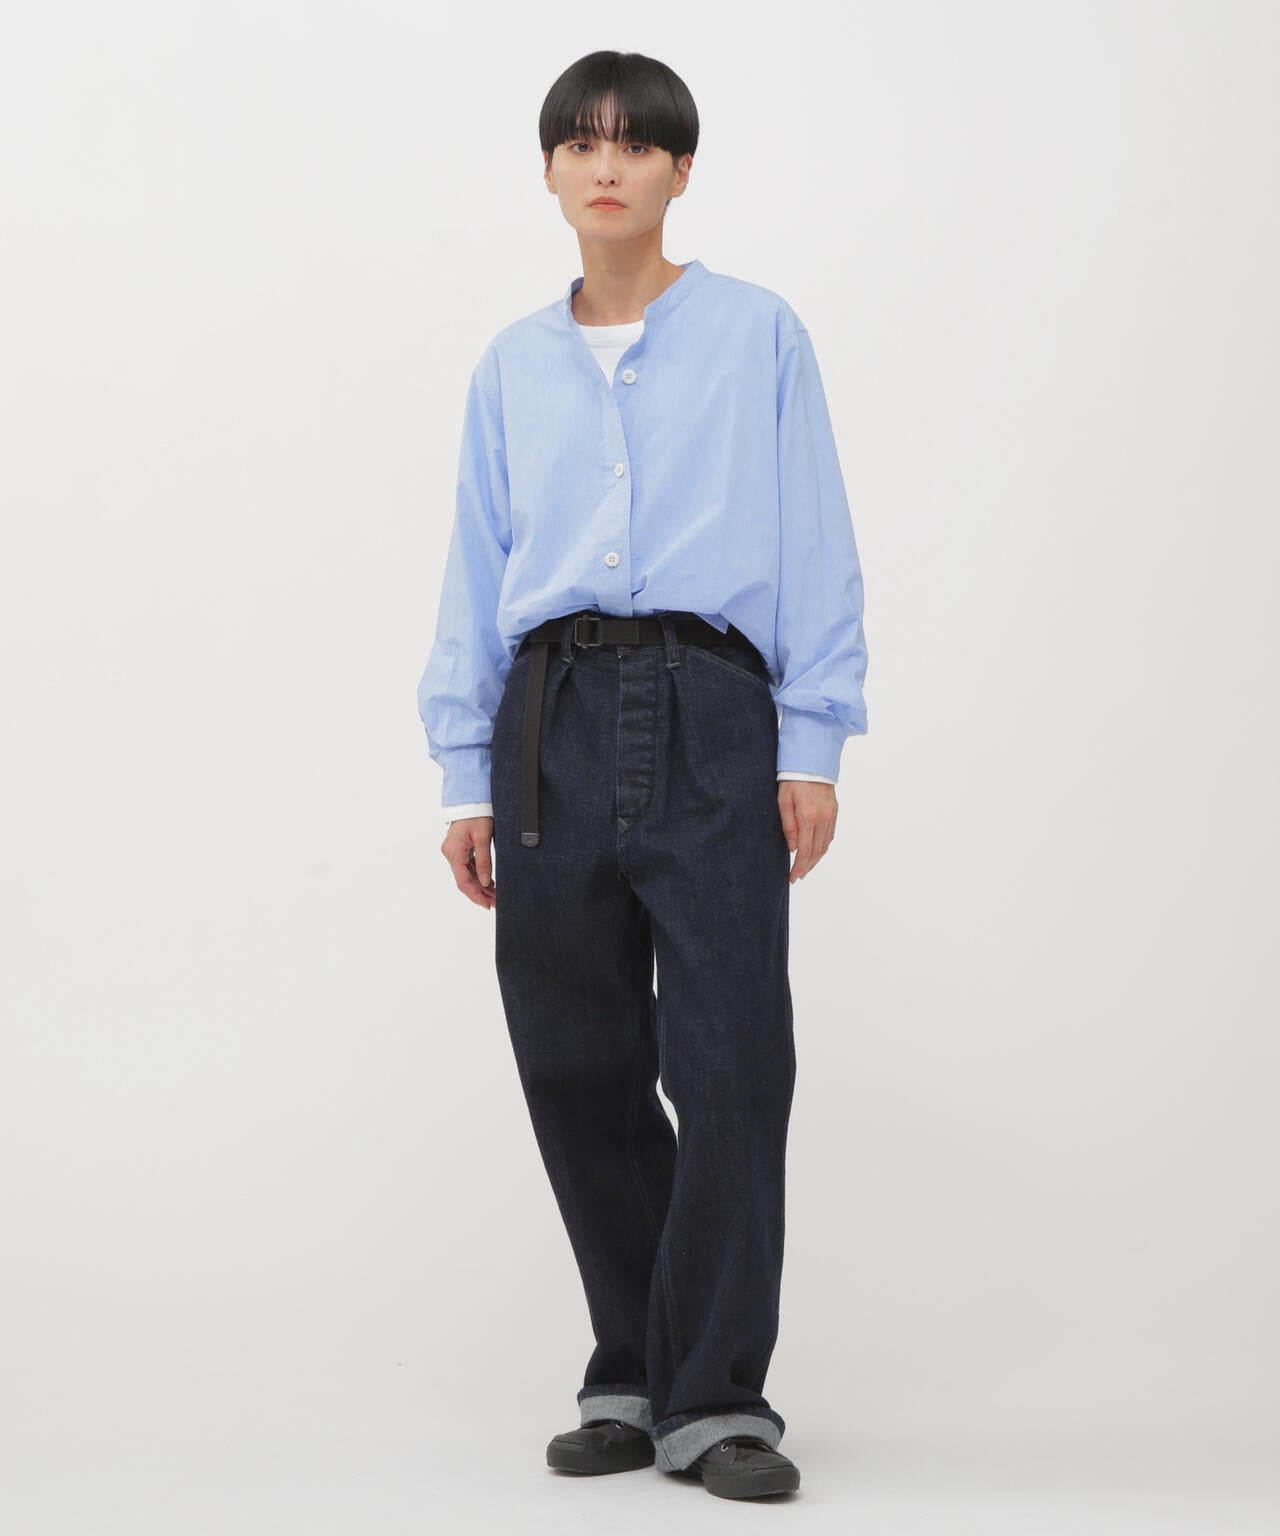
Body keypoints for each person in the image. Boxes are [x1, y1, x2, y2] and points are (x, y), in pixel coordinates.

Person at [417, 50, 868, 1501]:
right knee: (575, 1055)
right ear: (549, 169)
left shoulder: (756, 334)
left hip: (712, 707)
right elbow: (476, 562)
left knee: (730, 1059)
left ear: (681, 170)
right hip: (545, 714)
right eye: (580, 142)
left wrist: (812, 741)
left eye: (636, 143)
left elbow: (814, 534)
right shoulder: (510, 365)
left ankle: (716, 1394)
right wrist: (465, 774)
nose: (606, 165)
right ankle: (636, 1363)